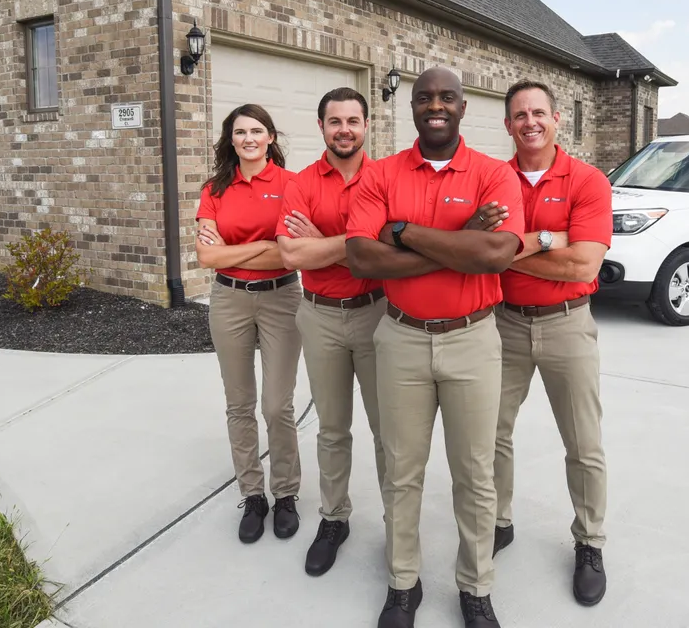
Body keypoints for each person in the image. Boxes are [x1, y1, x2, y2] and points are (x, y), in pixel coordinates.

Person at [346, 66, 524, 628]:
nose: (436, 106)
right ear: (413, 108)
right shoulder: (381, 174)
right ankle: (403, 583)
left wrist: (402, 232)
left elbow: (495, 256)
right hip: (400, 337)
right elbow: (360, 259)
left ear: (464, 107)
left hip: (473, 338)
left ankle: (475, 588)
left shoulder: (495, 174)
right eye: (425, 98)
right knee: (402, 469)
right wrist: (462, 237)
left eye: (447, 97)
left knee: (474, 472)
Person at [490, 81, 613, 607]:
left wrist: (512, 248)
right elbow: (483, 253)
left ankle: (590, 542)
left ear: (557, 119)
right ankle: (496, 521)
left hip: (568, 322)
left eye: (539, 113)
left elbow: (584, 263)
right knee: (489, 433)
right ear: (508, 124)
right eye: (520, 115)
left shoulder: (587, 180)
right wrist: (549, 238)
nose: (530, 122)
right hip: (503, 323)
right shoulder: (493, 180)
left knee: (583, 443)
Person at [275, 87, 388, 577]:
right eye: (334, 121)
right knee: (332, 429)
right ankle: (334, 518)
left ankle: (397, 526)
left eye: (353, 120)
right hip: (319, 315)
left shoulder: (387, 180)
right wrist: (358, 243)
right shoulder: (300, 184)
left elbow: (390, 251)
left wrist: (325, 242)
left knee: (390, 432)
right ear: (321, 126)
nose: (345, 129)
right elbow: (292, 256)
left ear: (366, 126)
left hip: (378, 314)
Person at [195, 104, 304, 545]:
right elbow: (207, 257)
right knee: (239, 404)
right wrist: (263, 243)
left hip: (281, 299)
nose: (249, 138)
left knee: (278, 405)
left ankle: (287, 493)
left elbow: (290, 254)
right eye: (240, 132)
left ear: (271, 137)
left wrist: (236, 248)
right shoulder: (214, 189)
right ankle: (253, 495)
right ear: (231, 139)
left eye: (257, 130)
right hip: (229, 300)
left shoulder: (292, 185)